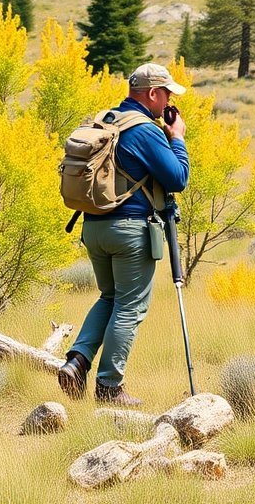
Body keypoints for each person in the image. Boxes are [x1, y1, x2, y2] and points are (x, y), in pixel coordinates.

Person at [57, 63, 190, 406]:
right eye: (167, 94)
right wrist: (177, 138)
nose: (169, 102)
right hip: (129, 231)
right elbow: (178, 179)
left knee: (110, 297)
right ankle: (109, 387)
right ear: (153, 93)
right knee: (129, 306)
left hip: (94, 227)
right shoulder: (144, 130)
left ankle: (77, 362)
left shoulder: (108, 120)